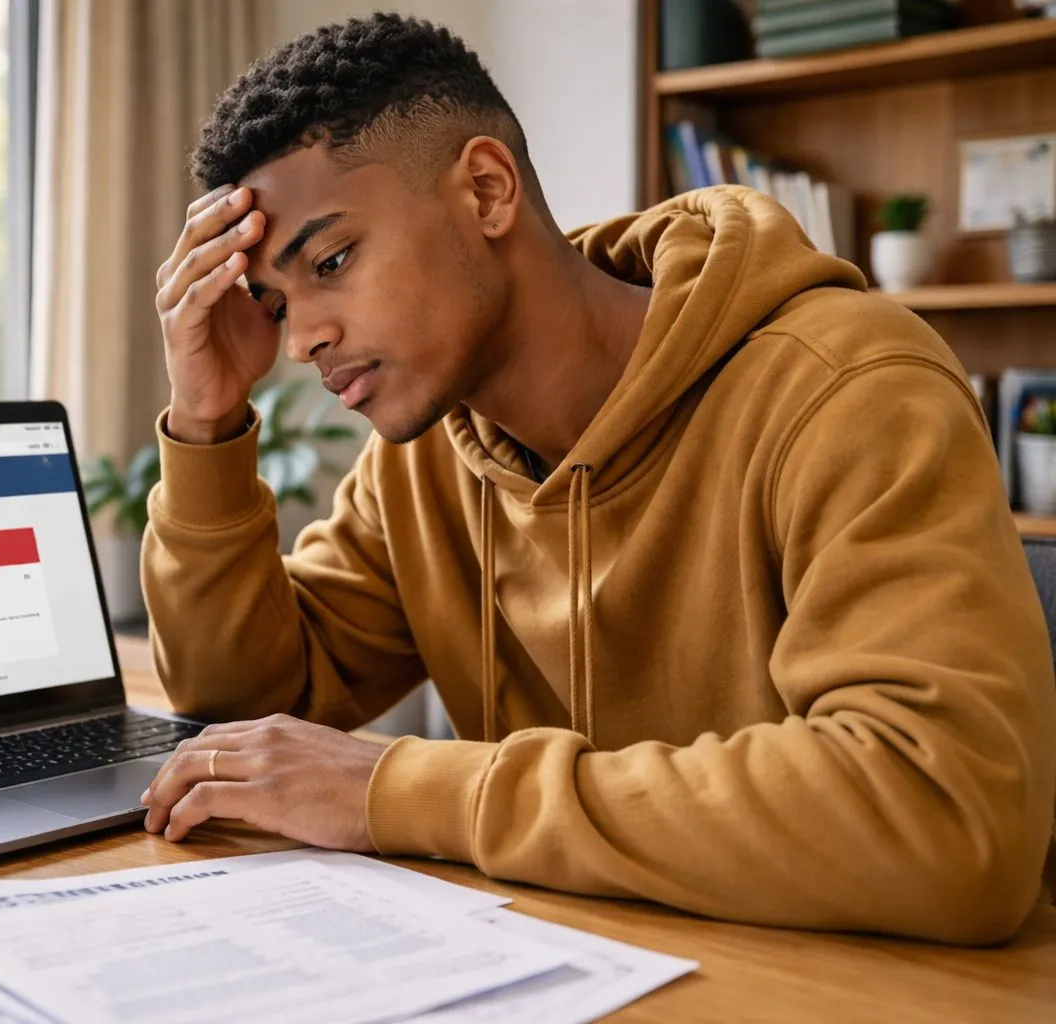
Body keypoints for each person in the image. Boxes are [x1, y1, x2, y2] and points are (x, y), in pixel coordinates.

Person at [139, 13, 1055, 944]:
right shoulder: (419, 464)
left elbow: (944, 815)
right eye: (279, 303)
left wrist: (403, 791)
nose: (302, 341)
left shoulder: (846, 386)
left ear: (487, 190)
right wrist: (206, 424)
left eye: (332, 262)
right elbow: (244, 730)